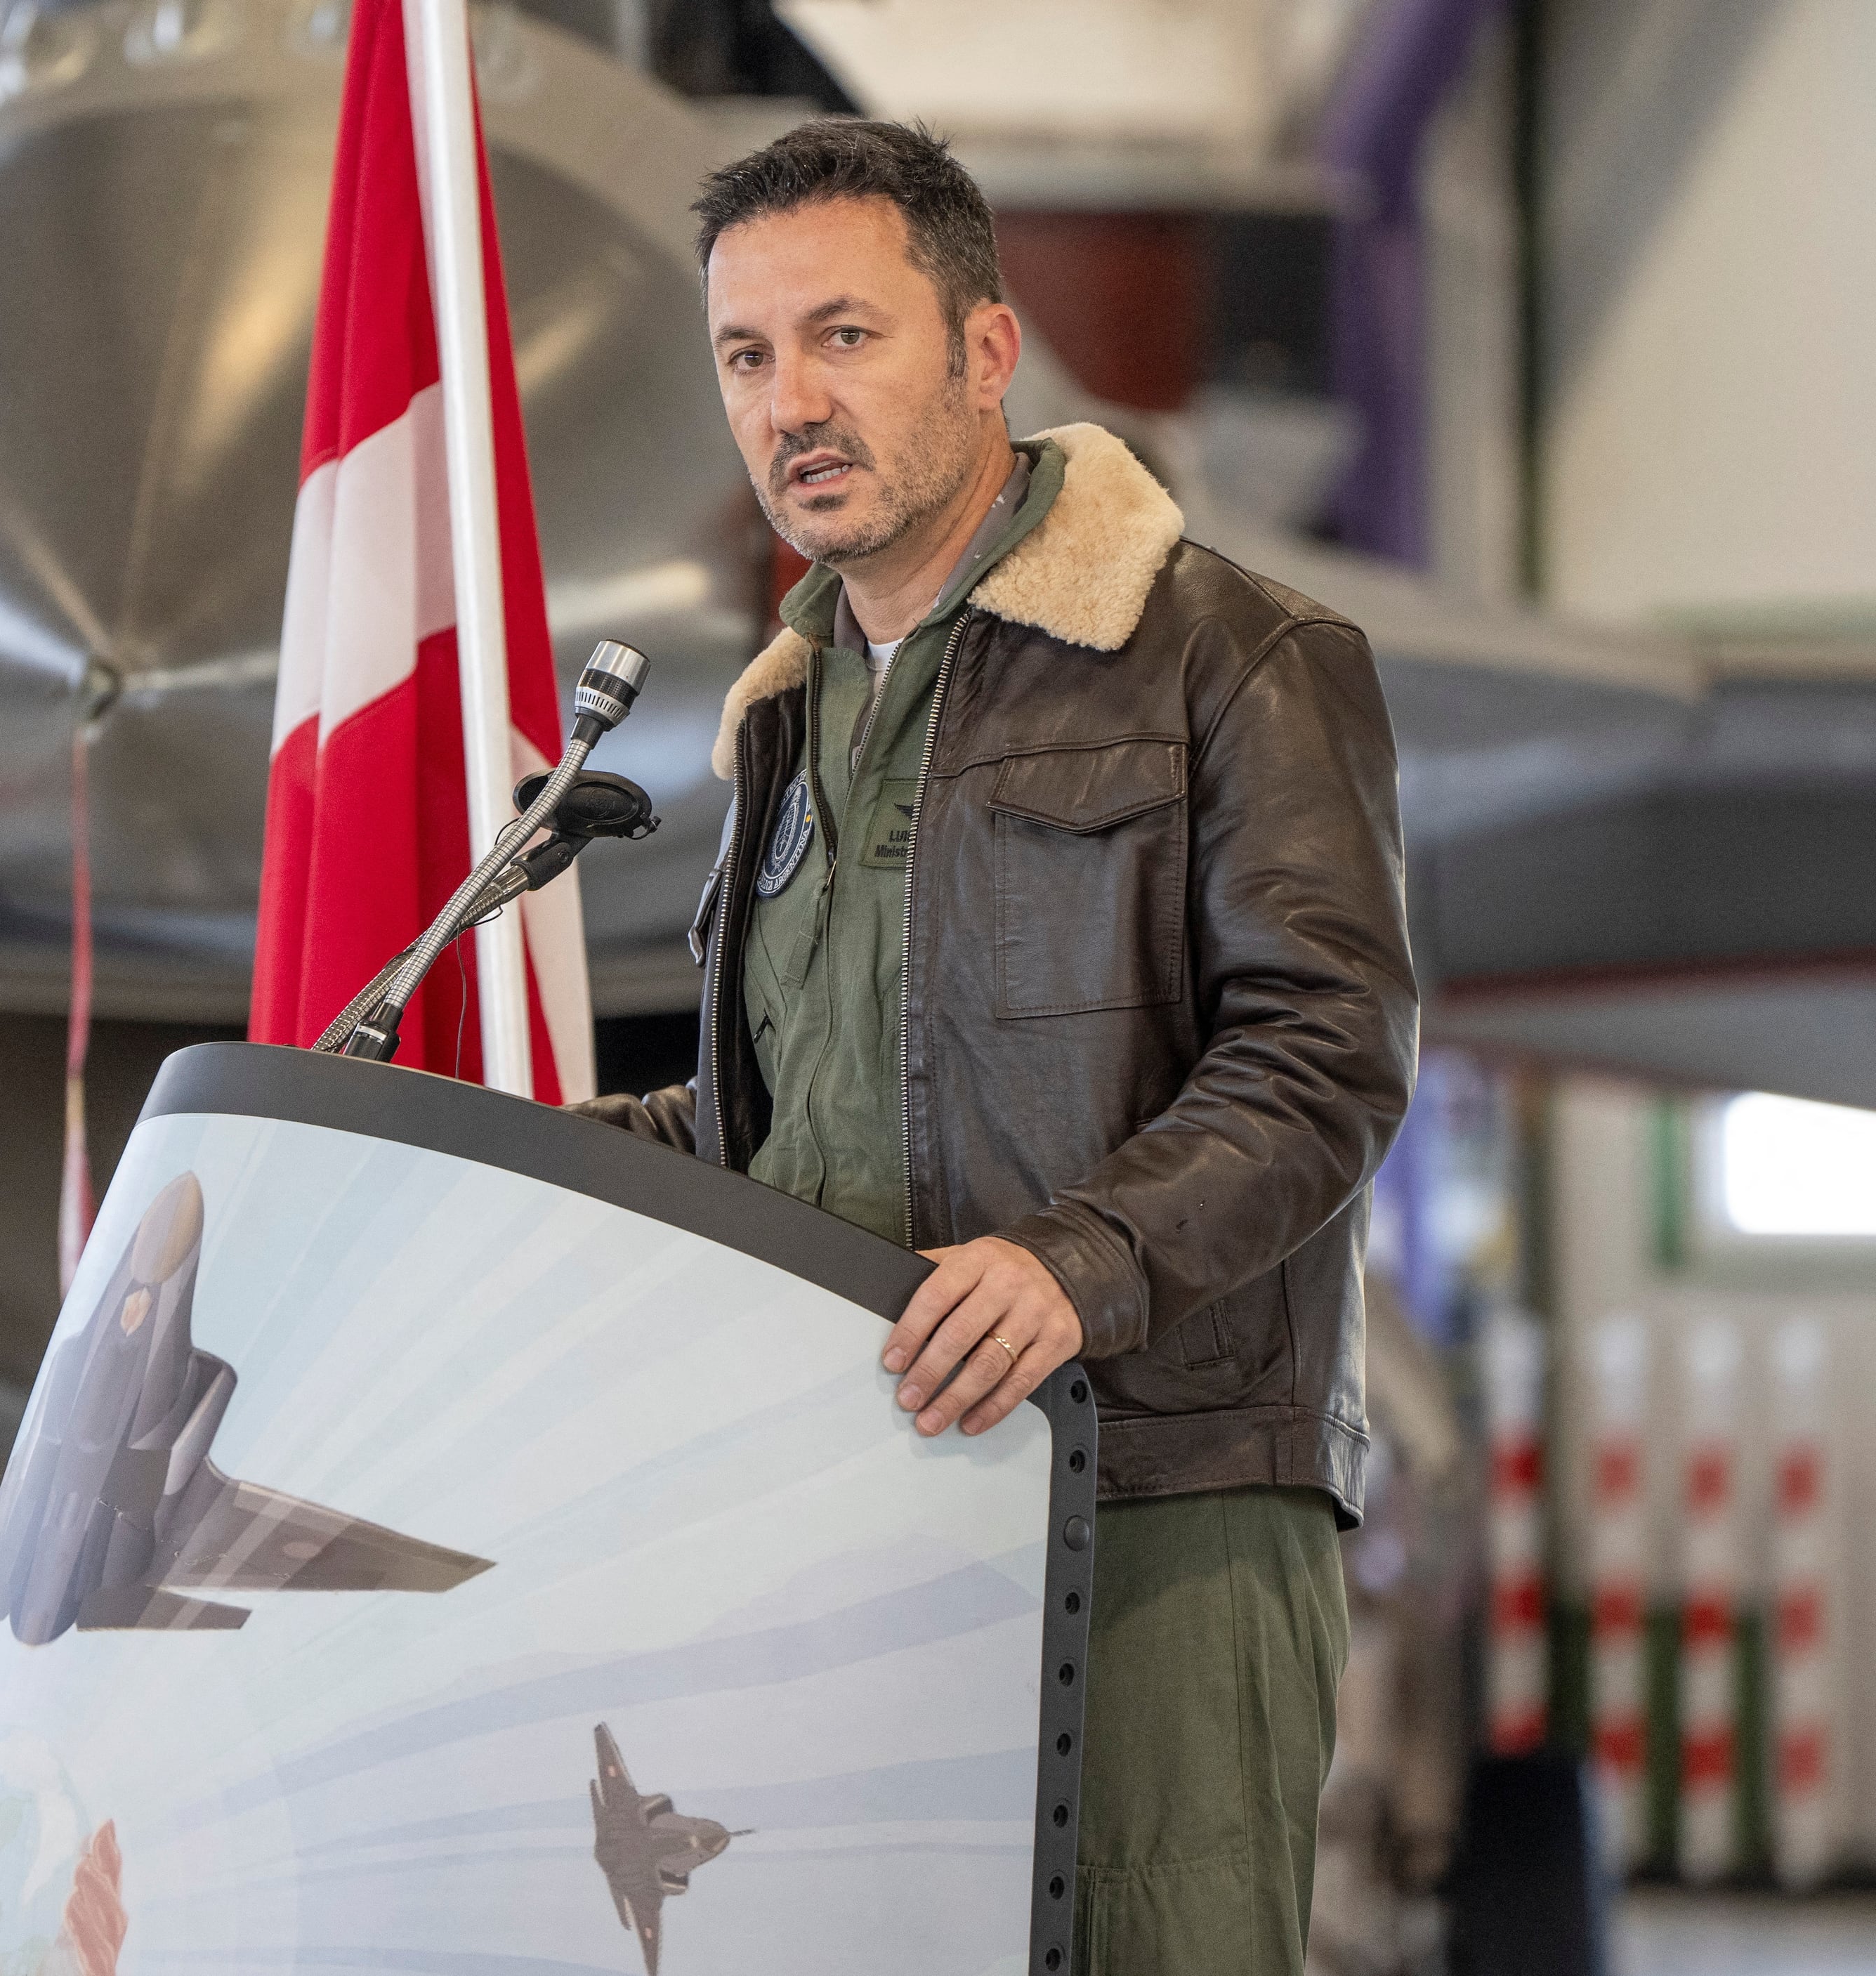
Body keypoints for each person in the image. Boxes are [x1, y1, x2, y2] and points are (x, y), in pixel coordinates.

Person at [574, 120, 1416, 1972]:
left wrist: (1080, 1255)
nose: (792, 397)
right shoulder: (789, 721)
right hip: (853, 1514)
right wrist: (505, 1169)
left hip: (1158, 1510)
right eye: (746, 353)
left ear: (981, 349)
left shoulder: (1231, 657)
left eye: (844, 335)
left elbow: (1329, 1043)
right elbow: (771, 1125)